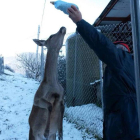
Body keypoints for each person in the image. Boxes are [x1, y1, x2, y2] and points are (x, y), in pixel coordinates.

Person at [67, 5, 140, 140]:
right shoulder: (132, 66)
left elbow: (103, 44)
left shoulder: (120, 60)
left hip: (123, 128)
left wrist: (80, 22)